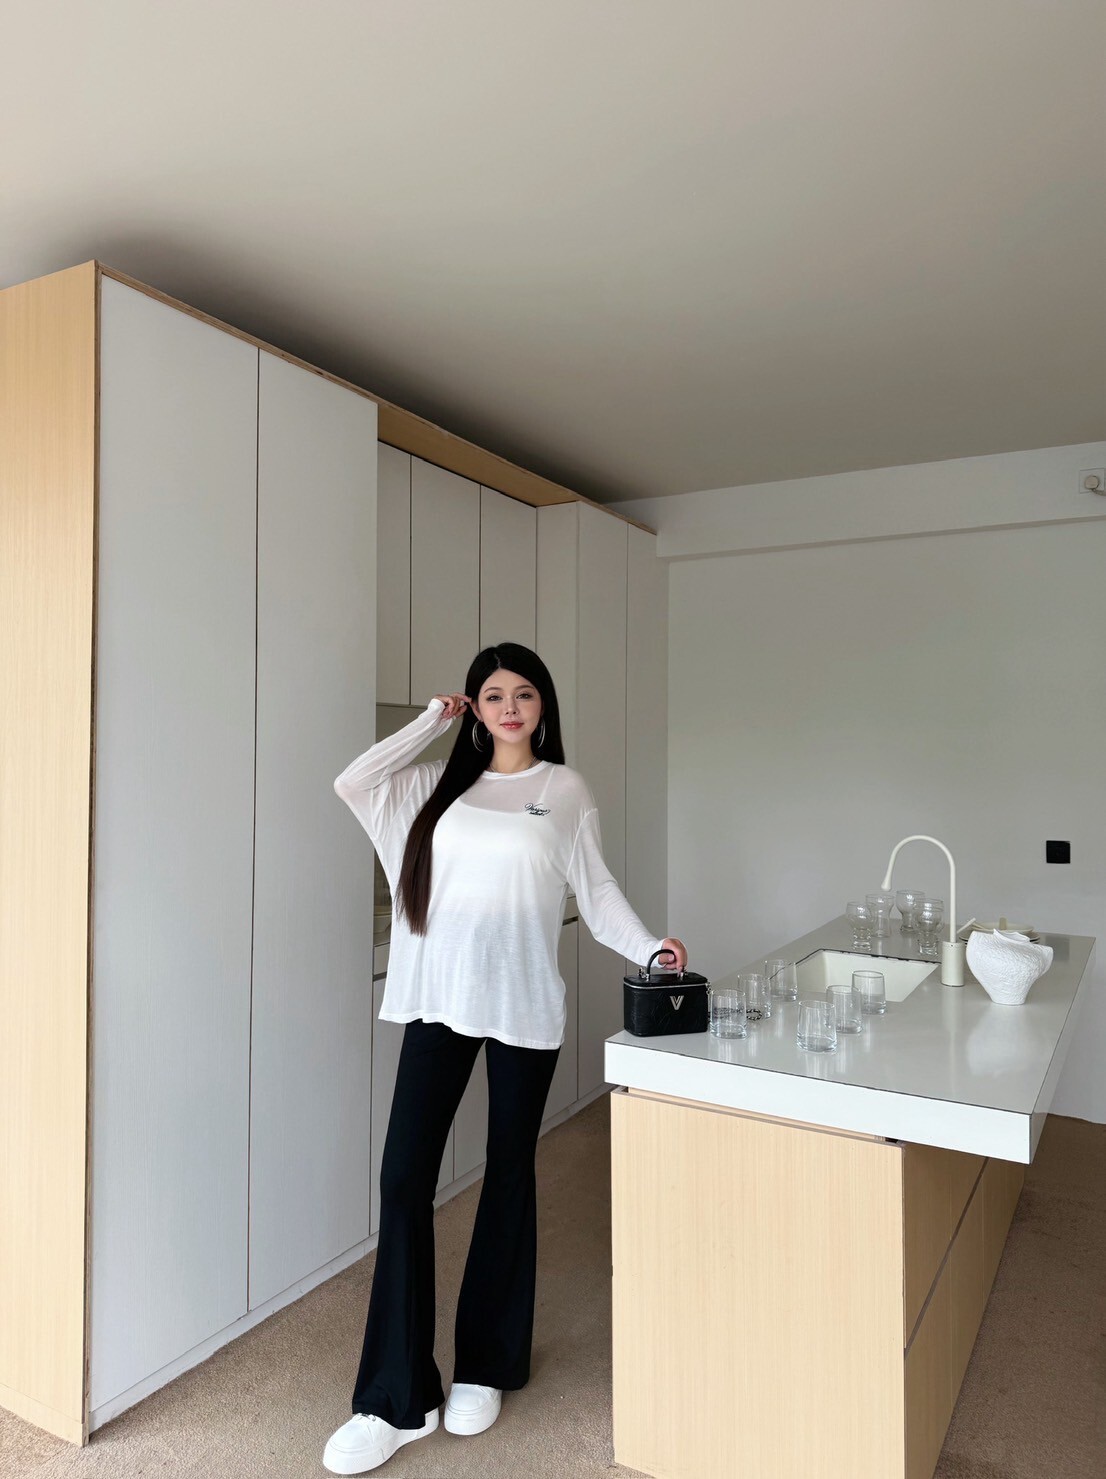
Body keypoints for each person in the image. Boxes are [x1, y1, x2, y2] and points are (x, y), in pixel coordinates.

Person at [323, 642, 686, 1475]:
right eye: (492, 695)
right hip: (438, 998)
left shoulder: (564, 790)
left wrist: (650, 947)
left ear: (543, 704)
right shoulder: (433, 787)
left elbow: (596, 891)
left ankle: (485, 1364)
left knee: (508, 1173)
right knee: (404, 1178)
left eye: (523, 693)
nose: (510, 706)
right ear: (475, 707)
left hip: (522, 1002)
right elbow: (352, 782)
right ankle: (394, 1397)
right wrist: (430, 721)